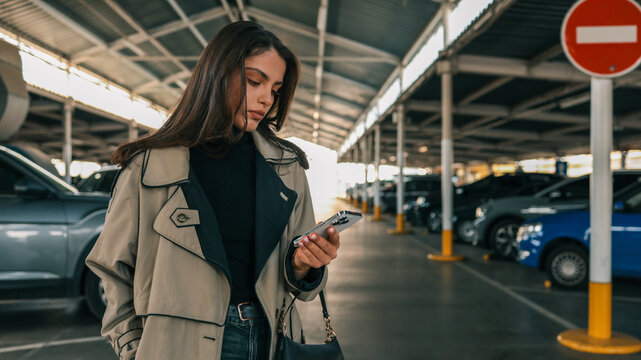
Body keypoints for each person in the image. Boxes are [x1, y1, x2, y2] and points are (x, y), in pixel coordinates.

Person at [86, 21, 340, 360]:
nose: (266, 98)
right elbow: (112, 268)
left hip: (272, 341)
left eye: (275, 89)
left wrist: (306, 265)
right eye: (254, 81)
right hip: (179, 346)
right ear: (217, 74)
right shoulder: (148, 168)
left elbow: (298, 281)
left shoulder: (287, 167)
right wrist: (133, 347)